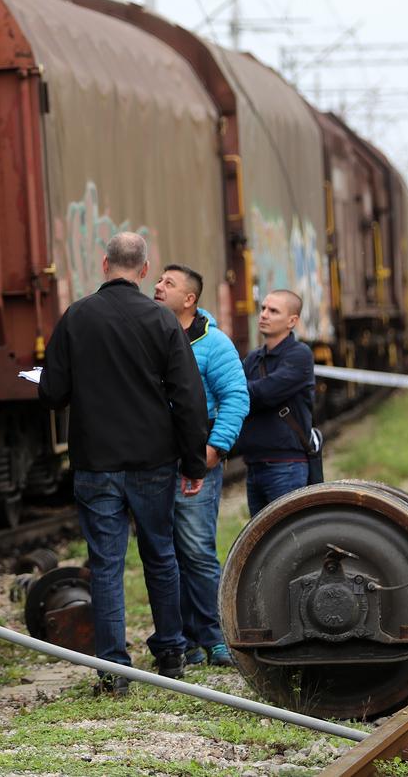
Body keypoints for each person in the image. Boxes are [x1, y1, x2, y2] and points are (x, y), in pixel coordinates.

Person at [38, 232, 210, 696]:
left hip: (96, 461)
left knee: (107, 564)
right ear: (144, 269)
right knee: (161, 555)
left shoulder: (76, 318)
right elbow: (189, 398)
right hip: (153, 460)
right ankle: (171, 653)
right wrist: (195, 463)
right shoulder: (161, 319)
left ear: (103, 264)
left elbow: (53, 393)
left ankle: (114, 670)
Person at [151, 264, 248, 669]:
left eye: (168, 283)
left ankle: (213, 637)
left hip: (197, 464)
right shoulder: (149, 335)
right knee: (163, 554)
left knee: (195, 551)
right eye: (159, 280)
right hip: (153, 464)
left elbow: (236, 399)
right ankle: (181, 640)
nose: (157, 285)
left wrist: (211, 455)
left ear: (189, 299)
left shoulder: (214, 343)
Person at [233, 289, 317, 516]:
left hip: (286, 467)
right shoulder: (253, 358)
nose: (264, 315)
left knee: (290, 540)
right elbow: (238, 397)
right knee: (262, 544)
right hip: (254, 466)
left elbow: (266, 393)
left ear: (292, 321)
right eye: (263, 309)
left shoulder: (299, 355)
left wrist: (237, 392)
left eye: (273, 311)